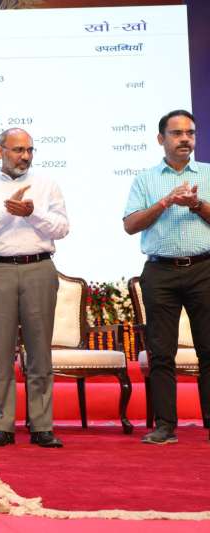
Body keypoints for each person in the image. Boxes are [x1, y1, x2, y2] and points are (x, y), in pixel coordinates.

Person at [0, 128, 69, 448]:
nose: (25, 156)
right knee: (0, 352)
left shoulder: (47, 184)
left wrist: (32, 214)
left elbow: (62, 228)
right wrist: (5, 212)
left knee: (39, 352)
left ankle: (42, 425)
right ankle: (2, 424)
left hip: (39, 268)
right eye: (18, 150)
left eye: (29, 150)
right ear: (0, 152)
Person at [123, 109, 210, 444]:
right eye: (176, 133)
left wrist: (197, 204)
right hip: (160, 272)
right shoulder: (145, 180)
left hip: (204, 269)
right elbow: (130, 225)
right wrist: (165, 202)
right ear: (161, 139)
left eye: (190, 133)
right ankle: (164, 425)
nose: (185, 139)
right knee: (161, 353)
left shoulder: (207, 173)